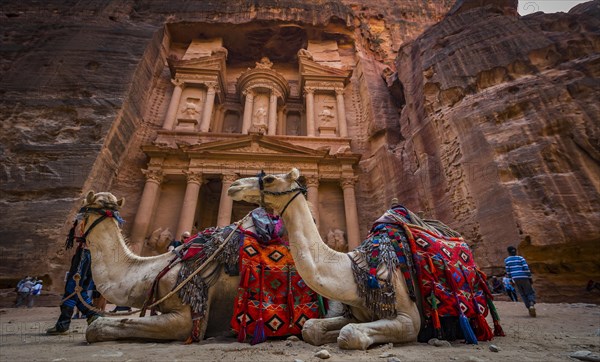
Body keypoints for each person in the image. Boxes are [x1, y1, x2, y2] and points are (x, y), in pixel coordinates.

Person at [46, 214, 102, 334]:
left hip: (84, 254)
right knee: (81, 290)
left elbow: (77, 232)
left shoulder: (87, 219)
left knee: (72, 289)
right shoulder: (101, 221)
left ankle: (63, 325)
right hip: (93, 255)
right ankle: (93, 317)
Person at [505, 245, 536, 317]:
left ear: (508, 252)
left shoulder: (507, 260)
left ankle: (529, 308)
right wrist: (530, 277)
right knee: (529, 291)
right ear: (516, 251)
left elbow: (508, 271)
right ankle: (531, 304)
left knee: (522, 293)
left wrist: (511, 280)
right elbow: (526, 267)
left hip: (515, 278)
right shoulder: (520, 258)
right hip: (524, 277)